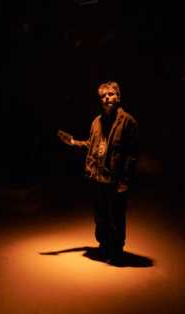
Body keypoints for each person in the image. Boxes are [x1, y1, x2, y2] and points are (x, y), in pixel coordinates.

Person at [59, 81, 139, 265]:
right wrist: (73, 142)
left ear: (118, 96)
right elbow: (91, 145)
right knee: (101, 215)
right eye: (103, 96)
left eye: (110, 94)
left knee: (117, 216)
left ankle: (117, 251)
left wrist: (125, 181)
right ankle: (104, 247)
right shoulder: (97, 122)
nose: (107, 98)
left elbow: (132, 155)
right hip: (97, 177)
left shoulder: (128, 122)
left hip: (115, 179)